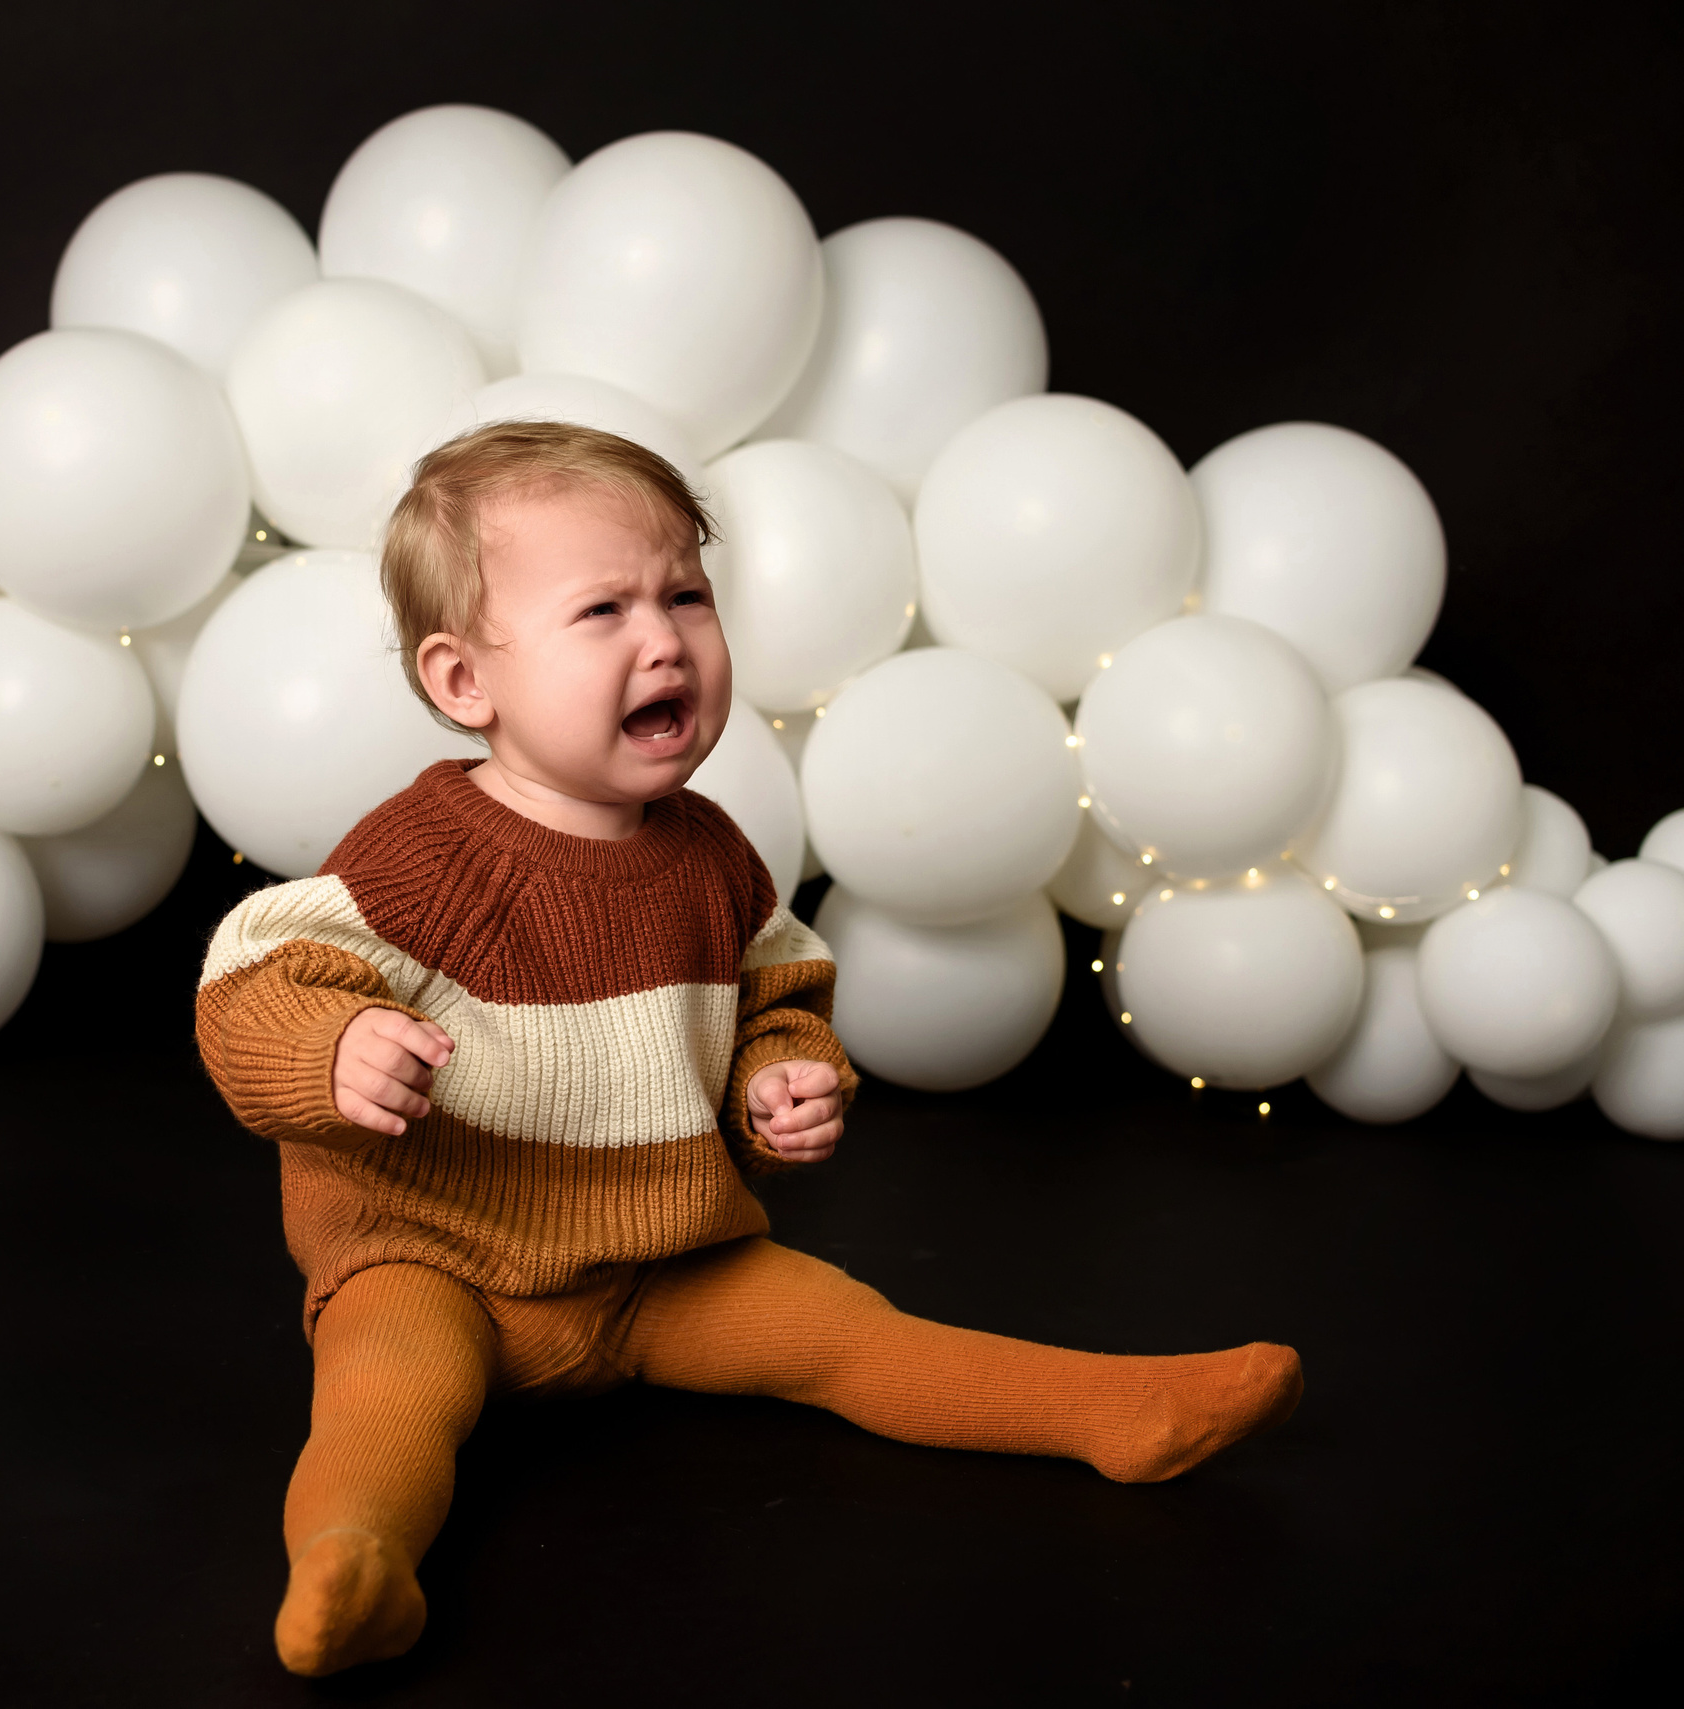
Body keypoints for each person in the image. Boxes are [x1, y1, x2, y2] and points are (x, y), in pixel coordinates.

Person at [195, 421, 1305, 1677]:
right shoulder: (427, 855)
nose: (663, 637)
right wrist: (331, 1043)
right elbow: (254, 973)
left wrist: (779, 1075)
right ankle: (355, 1561)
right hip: (442, 1255)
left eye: (685, 594)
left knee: (848, 1331)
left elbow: (773, 989)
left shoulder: (712, 852)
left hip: (655, 1266)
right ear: (464, 683)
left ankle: (1111, 1409)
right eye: (602, 609)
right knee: (386, 1393)